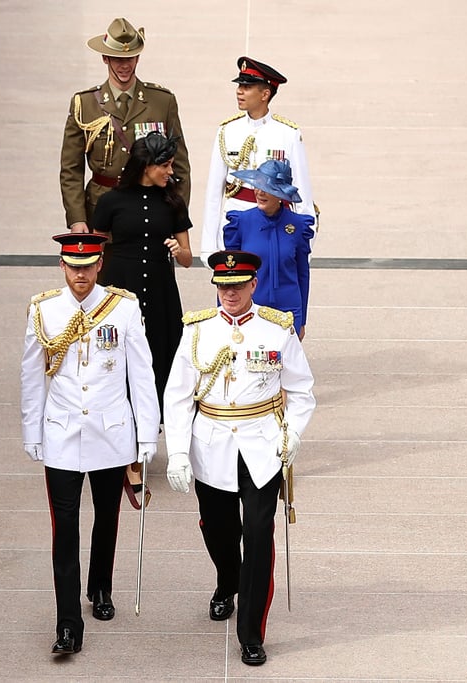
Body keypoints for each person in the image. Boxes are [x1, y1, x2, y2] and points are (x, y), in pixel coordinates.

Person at [162, 250, 316, 667]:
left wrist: (293, 434)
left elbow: (302, 391)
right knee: (218, 529)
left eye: (237, 285)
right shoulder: (197, 331)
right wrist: (177, 452)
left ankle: (251, 632)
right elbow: (177, 396)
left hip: (262, 446)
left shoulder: (277, 330)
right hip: (211, 443)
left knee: (259, 536)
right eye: (223, 286)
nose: (230, 293)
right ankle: (227, 579)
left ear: (253, 285)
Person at [20, 233, 160, 655]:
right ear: (62, 267)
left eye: (87, 266)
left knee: (106, 516)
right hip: (62, 432)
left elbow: (142, 374)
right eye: (72, 266)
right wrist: (32, 430)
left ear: (100, 265)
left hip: (111, 431)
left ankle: (100, 585)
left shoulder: (123, 307)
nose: (80, 274)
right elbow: (31, 375)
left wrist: (146, 433)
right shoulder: (44, 309)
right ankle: (67, 624)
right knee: (64, 530)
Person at [91, 131, 193, 506]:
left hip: (162, 296)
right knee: (121, 367)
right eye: (164, 165)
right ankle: (127, 453)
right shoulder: (111, 201)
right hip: (122, 294)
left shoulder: (172, 201)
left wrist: (176, 248)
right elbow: (95, 255)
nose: (170, 171)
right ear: (146, 167)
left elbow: (187, 257)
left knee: (158, 366)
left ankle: (141, 443)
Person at [60, 17, 190, 236]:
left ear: (138, 57)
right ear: (105, 58)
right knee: (103, 270)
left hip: (151, 210)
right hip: (102, 214)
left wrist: (176, 216)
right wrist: (77, 217)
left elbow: (180, 166)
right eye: (117, 58)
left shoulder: (162, 101)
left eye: (130, 57)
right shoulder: (85, 104)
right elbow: (71, 169)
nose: (124, 65)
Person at [200, 57, 315, 263]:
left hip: (275, 222)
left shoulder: (288, 133)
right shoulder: (227, 130)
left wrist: (306, 241)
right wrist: (209, 248)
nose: (239, 91)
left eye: (247, 86)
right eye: (239, 86)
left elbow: (302, 191)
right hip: (235, 223)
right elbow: (213, 193)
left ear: (265, 93)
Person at [224, 158, 314, 339]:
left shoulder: (298, 225)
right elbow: (228, 274)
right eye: (257, 185)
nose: (259, 192)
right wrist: (225, 315)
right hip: (251, 309)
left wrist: (302, 318)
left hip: (289, 311)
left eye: (267, 188)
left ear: (281, 194)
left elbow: (302, 274)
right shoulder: (241, 223)